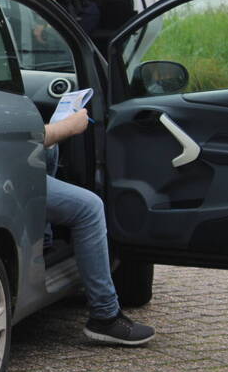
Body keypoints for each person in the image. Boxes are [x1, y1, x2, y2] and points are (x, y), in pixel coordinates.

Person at [45, 108, 155, 346]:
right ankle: (105, 316)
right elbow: (22, 137)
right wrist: (69, 126)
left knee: (50, 149)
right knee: (89, 207)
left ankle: (44, 236)